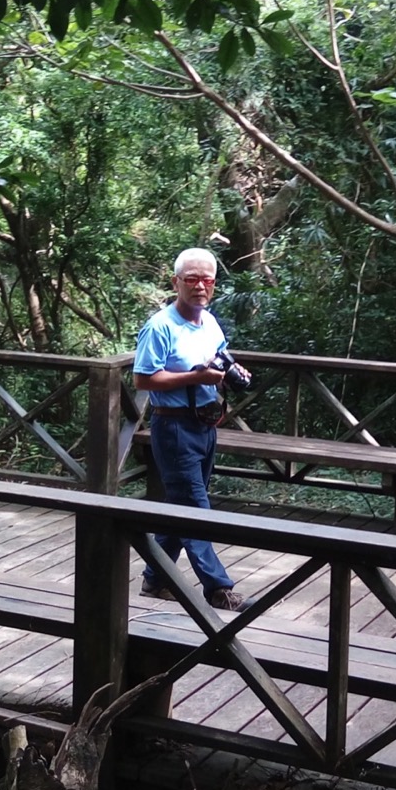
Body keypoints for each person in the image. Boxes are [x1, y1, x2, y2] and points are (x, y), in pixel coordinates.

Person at [131, 248, 249, 611]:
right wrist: (196, 376)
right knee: (196, 507)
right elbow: (143, 379)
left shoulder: (209, 322)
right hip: (173, 427)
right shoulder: (161, 326)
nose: (200, 286)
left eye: (208, 280)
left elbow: (221, 356)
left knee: (181, 505)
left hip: (205, 425)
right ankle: (218, 588)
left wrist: (232, 372)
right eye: (192, 279)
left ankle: (154, 579)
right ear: (176, 283)